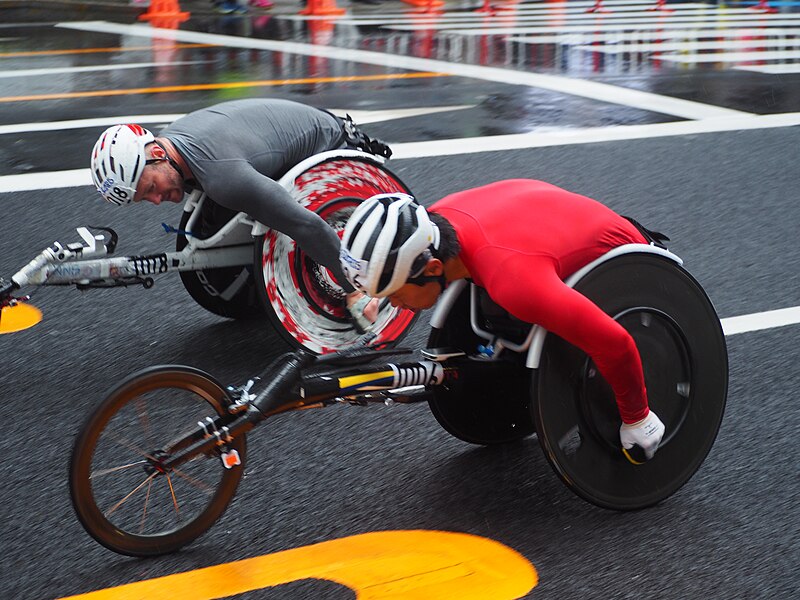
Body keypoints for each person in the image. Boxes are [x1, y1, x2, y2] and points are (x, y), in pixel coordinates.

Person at [339, 180, 667, 460]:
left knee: (545, 310)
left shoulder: (514, 283)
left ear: (434, 269)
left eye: (394, 294)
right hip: (545, 228)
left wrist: (637, 418)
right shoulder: (432, 225)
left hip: (626, 256)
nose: (394, 304)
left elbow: (616, 342)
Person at [89, 98, 388, 328]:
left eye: (152, 187)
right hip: (313, 124)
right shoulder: (172, 139)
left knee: (280, 215)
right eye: (145, 198)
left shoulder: (223, 178)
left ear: (156, 153)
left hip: (335, 143)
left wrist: (355, 289)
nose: (156, 200)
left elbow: (306, 226)